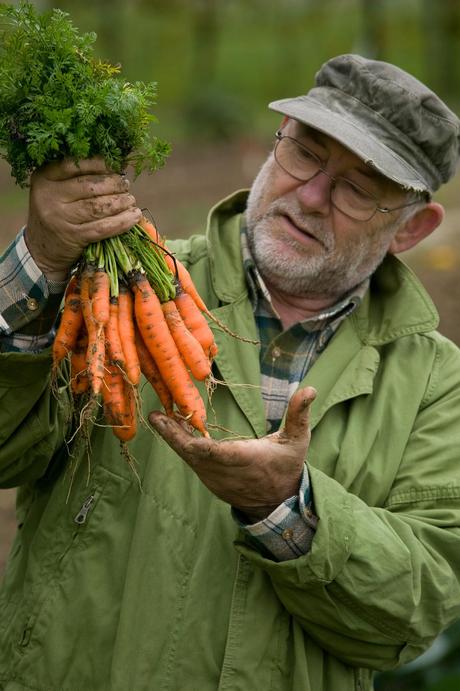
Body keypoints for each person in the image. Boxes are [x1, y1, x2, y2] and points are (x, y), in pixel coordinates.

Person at [0, 53, 460, 691]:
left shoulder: (439, 386)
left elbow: (415, 609)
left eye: (360, 188)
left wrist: (287, 509)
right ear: (274, 146)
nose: (313, 196)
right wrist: (40, 265)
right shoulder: (104, 288)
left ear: (413, 228)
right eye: (306, 153)